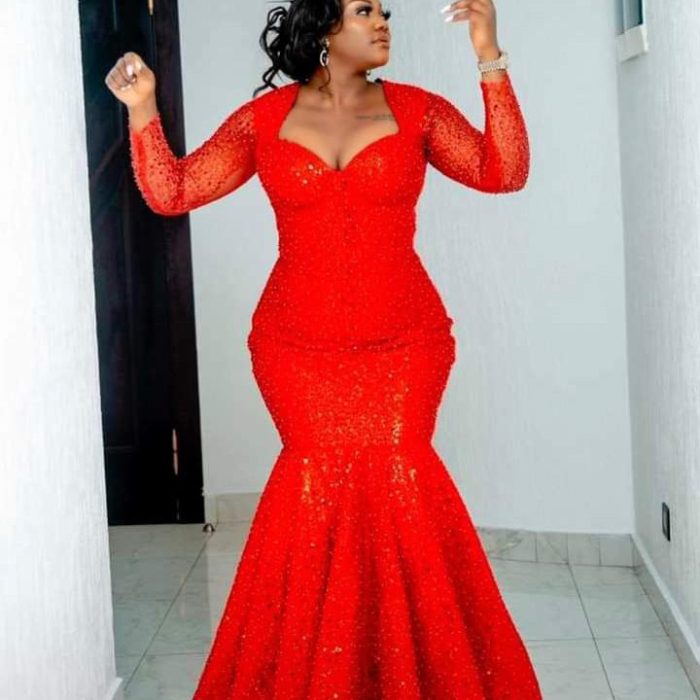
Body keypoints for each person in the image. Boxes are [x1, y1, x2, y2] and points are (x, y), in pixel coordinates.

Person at [106, 0, 540, 696]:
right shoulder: (264, 121)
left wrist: (489, 54)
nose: (383, 22)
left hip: (405, 345)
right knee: (314, 497)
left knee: (400, 486)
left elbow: (504, 170)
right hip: (296, 349)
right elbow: (173, 190)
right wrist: (142, 108)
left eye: (385, 11)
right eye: (365, 11)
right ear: (324, 29)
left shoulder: (417, 111)